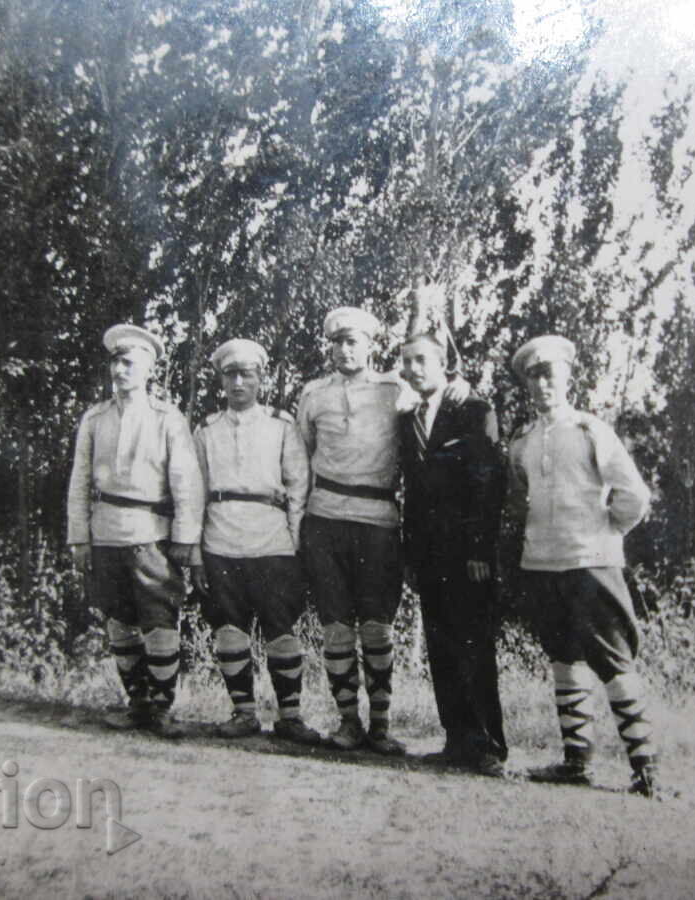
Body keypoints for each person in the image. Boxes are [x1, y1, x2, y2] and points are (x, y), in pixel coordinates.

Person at [296, 307, 466, 754]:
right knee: (335, 626)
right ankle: (348, 722)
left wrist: (460, 385)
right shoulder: (312, 395)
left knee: (377, 628)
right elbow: (303, 458)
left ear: (370, 346)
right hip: (325, 517)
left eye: (354, 341)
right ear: (329, 346)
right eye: (338, 342)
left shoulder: (396, 389)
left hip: (378, 522)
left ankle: (381, 726)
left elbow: (437, 399)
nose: (345, 349)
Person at [507, 335, 661, 797]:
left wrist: (606, 531)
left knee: (614, 660)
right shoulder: (524, 441)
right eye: (533, 375)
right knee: (563, 658)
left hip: (591, 561)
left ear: (568, 375)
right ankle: (576, 760)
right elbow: (517, 501)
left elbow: (633, 494)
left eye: (550, 372)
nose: (542, 383)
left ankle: (645, 767)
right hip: (543, 562)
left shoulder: (592, 430)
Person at [66, 323, 205, 738]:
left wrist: (185, 538)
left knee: (159, 621)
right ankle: (137, 703)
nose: (120, 370)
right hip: (106, 533)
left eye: (129, 363)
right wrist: (79, 537)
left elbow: (186, 483)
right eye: (115, 362)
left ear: (148, 371)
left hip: (152, 535)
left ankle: (162, 707)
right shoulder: (95, 418)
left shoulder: (168, 419)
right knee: (118, 621)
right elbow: (80, 480)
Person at [190, 339, 321, 745]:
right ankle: (243, 713)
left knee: (281, 629)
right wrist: (194, 551)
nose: (239, 382)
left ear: (261, 377)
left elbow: (299, 487)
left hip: (272, 541)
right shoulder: (206, 431)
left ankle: (291, 717)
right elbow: (194, 492)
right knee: (229, 628)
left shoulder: (282, 426)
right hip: (221, 539)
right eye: (231, 374)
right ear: (222, 380)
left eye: (247, 373)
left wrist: (297, 545)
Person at [397, 333, 507, 777]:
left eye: (422, 359)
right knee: (441, 646)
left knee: (473, 646)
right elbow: (413, 492)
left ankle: (489, 745)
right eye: (407, 362)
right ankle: (456, 740)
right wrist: (409, 555)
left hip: (467, 556)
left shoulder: (473, 410)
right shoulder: (407, 420)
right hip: (427, 555)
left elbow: (488, 483)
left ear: (444, 364)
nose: (413, 368)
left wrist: (480, 548)